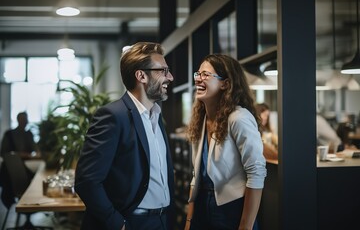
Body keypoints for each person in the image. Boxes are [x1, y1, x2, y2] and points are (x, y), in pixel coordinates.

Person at [75, 42, 175, 230]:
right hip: (130, 223)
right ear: (141, 75)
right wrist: (118, 224)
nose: (170, 76)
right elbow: (87, 181)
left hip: (161, 222)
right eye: (163, 70)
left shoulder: (157, 116)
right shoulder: (113, 116)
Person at [184, 54, 267, 230]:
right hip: (201, 206)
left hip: (231, 208)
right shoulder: (200, 120)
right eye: (197, 74)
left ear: (225, 84)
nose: (198, 79)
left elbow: (256, 172)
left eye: (205, 75)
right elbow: (196, 175)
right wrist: (189, 221)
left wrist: (245, 226)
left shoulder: (238, 118)